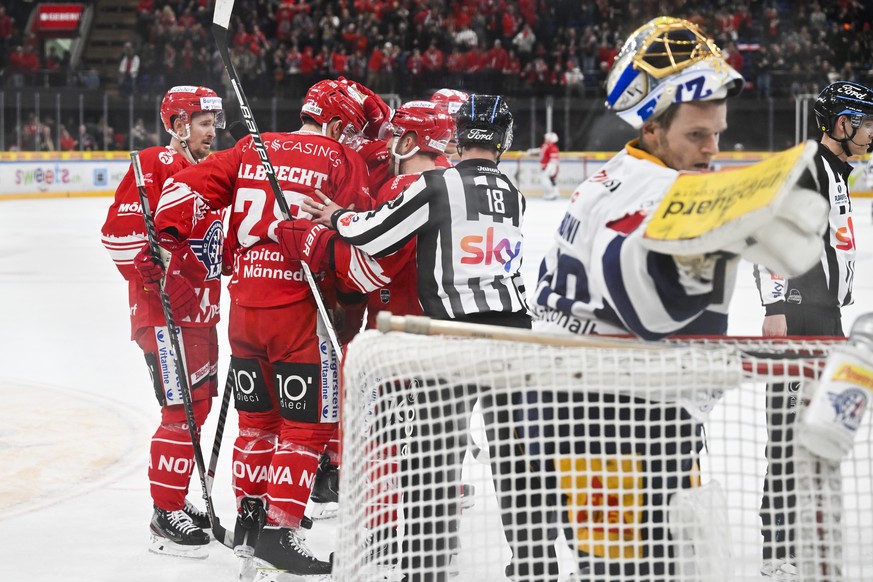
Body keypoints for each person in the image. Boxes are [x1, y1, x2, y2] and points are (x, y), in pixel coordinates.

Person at [529, 17, 748, 581]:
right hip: (623, 421)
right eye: (696, 136)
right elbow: (660, 315)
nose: (711, 150)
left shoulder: (622, 171)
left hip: (593, 411)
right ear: (653, 128)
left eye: (717, 133)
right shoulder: (661, 194)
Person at [152, 79, 371, 579]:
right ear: (336, 124)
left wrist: (168, 233)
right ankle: (278, 532)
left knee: (256, 422)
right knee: (308, 425)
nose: (355, 142)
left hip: (244, 306)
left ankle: (249, 524)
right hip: (299, 306)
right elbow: (358, 236)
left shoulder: (253, 146)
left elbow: (184, 189)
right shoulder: (341, 159)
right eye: (352, 132)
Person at [305, 94, 530, 580]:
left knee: (434, 456)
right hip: (513, 337)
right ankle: (536, 562)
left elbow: (379, 235)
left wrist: (337, 217)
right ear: (503, 141)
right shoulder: (515, 193)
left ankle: (426, 565)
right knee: (516, 457)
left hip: (450, 339)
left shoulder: (437, 184)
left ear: (458, 136)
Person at [753, 80, 873, 579]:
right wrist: (776, 304)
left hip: (825, 316)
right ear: (841, 124)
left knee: (816, 429)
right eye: (866, 123)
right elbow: (766, 229)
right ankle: (776, 545)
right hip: (799, 313)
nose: (871, 132)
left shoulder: (837, 173)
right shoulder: (807, 167)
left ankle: (801, 531)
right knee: (787, 432)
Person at [100, 85, 225, 559]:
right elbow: (118, 236)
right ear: (177, 125)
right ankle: (163, 513)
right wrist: (158, 276)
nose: (212, 132)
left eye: (214, 123)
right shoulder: (154, 163)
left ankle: (171, 496)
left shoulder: (208, 171)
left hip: (202, 315)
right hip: (164, 315)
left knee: (199, 404)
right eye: (203, 123)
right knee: (181, 408)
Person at [528, 131, 560, 200]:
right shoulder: (545, 146)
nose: (545, 139)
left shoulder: (553, 147)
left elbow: (553, 160)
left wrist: (550, 168)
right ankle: (552, 193)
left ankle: (552, 193)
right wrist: (532, 152)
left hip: (550, 166)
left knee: (547, 179)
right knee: (548, 180)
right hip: (545, 166)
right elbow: (541, 152)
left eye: (547, 138)